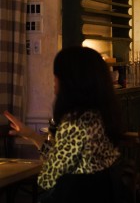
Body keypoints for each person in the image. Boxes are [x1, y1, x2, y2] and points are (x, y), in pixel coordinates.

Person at [3, 46, 124, 201]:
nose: (54, 83)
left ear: (71, 82)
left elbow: (49, 177)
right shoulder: (100, 117)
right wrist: (31, 135)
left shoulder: (76, 124)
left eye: (56, 77)